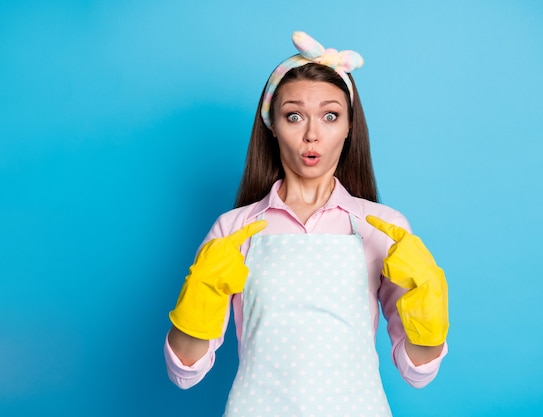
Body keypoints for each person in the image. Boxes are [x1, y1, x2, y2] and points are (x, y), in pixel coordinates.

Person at [164, 31, 449, 416]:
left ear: (350, 127)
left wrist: (428, 310)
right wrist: (198, 300)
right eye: (294, 115)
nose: (312, 134)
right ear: (272, 125)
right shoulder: (233, 229)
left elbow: (419, 373)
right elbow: (185, 372)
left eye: (330, 116)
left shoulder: (383, 228)